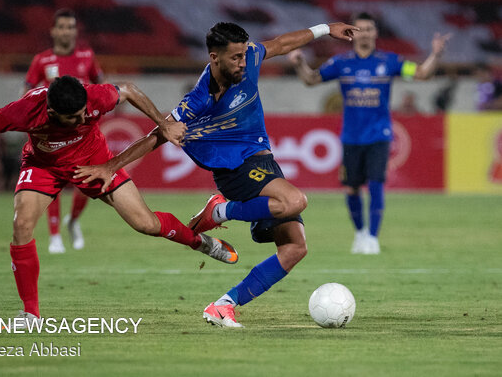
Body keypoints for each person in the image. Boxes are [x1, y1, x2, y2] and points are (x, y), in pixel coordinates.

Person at [0, 76, 239, 328]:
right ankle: (31, 314)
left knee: (145, 224)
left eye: (86, 112)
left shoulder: (92, 96)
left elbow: (128, 90)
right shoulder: (24, 112)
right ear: (53, 113)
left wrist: (162, 122)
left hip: (95, 163)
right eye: (75, 117)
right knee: (21, 225)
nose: (85, 117)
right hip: (44, 167)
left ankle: (200, 240)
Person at [73, 21, 358, 328]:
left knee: (294, 248)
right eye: (234, 57)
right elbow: (157, 135)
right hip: (235, 171)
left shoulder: (250, 56)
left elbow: (283, 43)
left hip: (263, 162)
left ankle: (224, 305)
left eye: (243, 54)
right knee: (295, 201)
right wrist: (110, 166)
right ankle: (220, 210)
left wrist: (327, 28)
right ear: (214, 57)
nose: (242, 61)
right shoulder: (198, 99)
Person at [289, 12, 450, 254]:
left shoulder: (390, 62)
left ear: (375, 33)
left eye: (369, 29)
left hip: (379, 135)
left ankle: (373, 237)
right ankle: (360, 233)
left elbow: (422, 74)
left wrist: (435, 54)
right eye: (360, 29)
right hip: (351, 137)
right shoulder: (341, 63)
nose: (364, 33)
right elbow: (311, 80)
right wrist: (300, 63)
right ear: (352, 33)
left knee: (376, 185)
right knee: (351, 189)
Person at [23, 8, 104, 254]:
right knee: (54, 180)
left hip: (84, 134)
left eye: (71, 27)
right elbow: (25, 92)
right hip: (54, 135)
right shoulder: (42, 60)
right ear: (53, 31)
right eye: (62, 27)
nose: (67, 31)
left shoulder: (87, 55)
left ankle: (73, 220)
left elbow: (101, 85)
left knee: (91, 182)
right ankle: (55, 235)